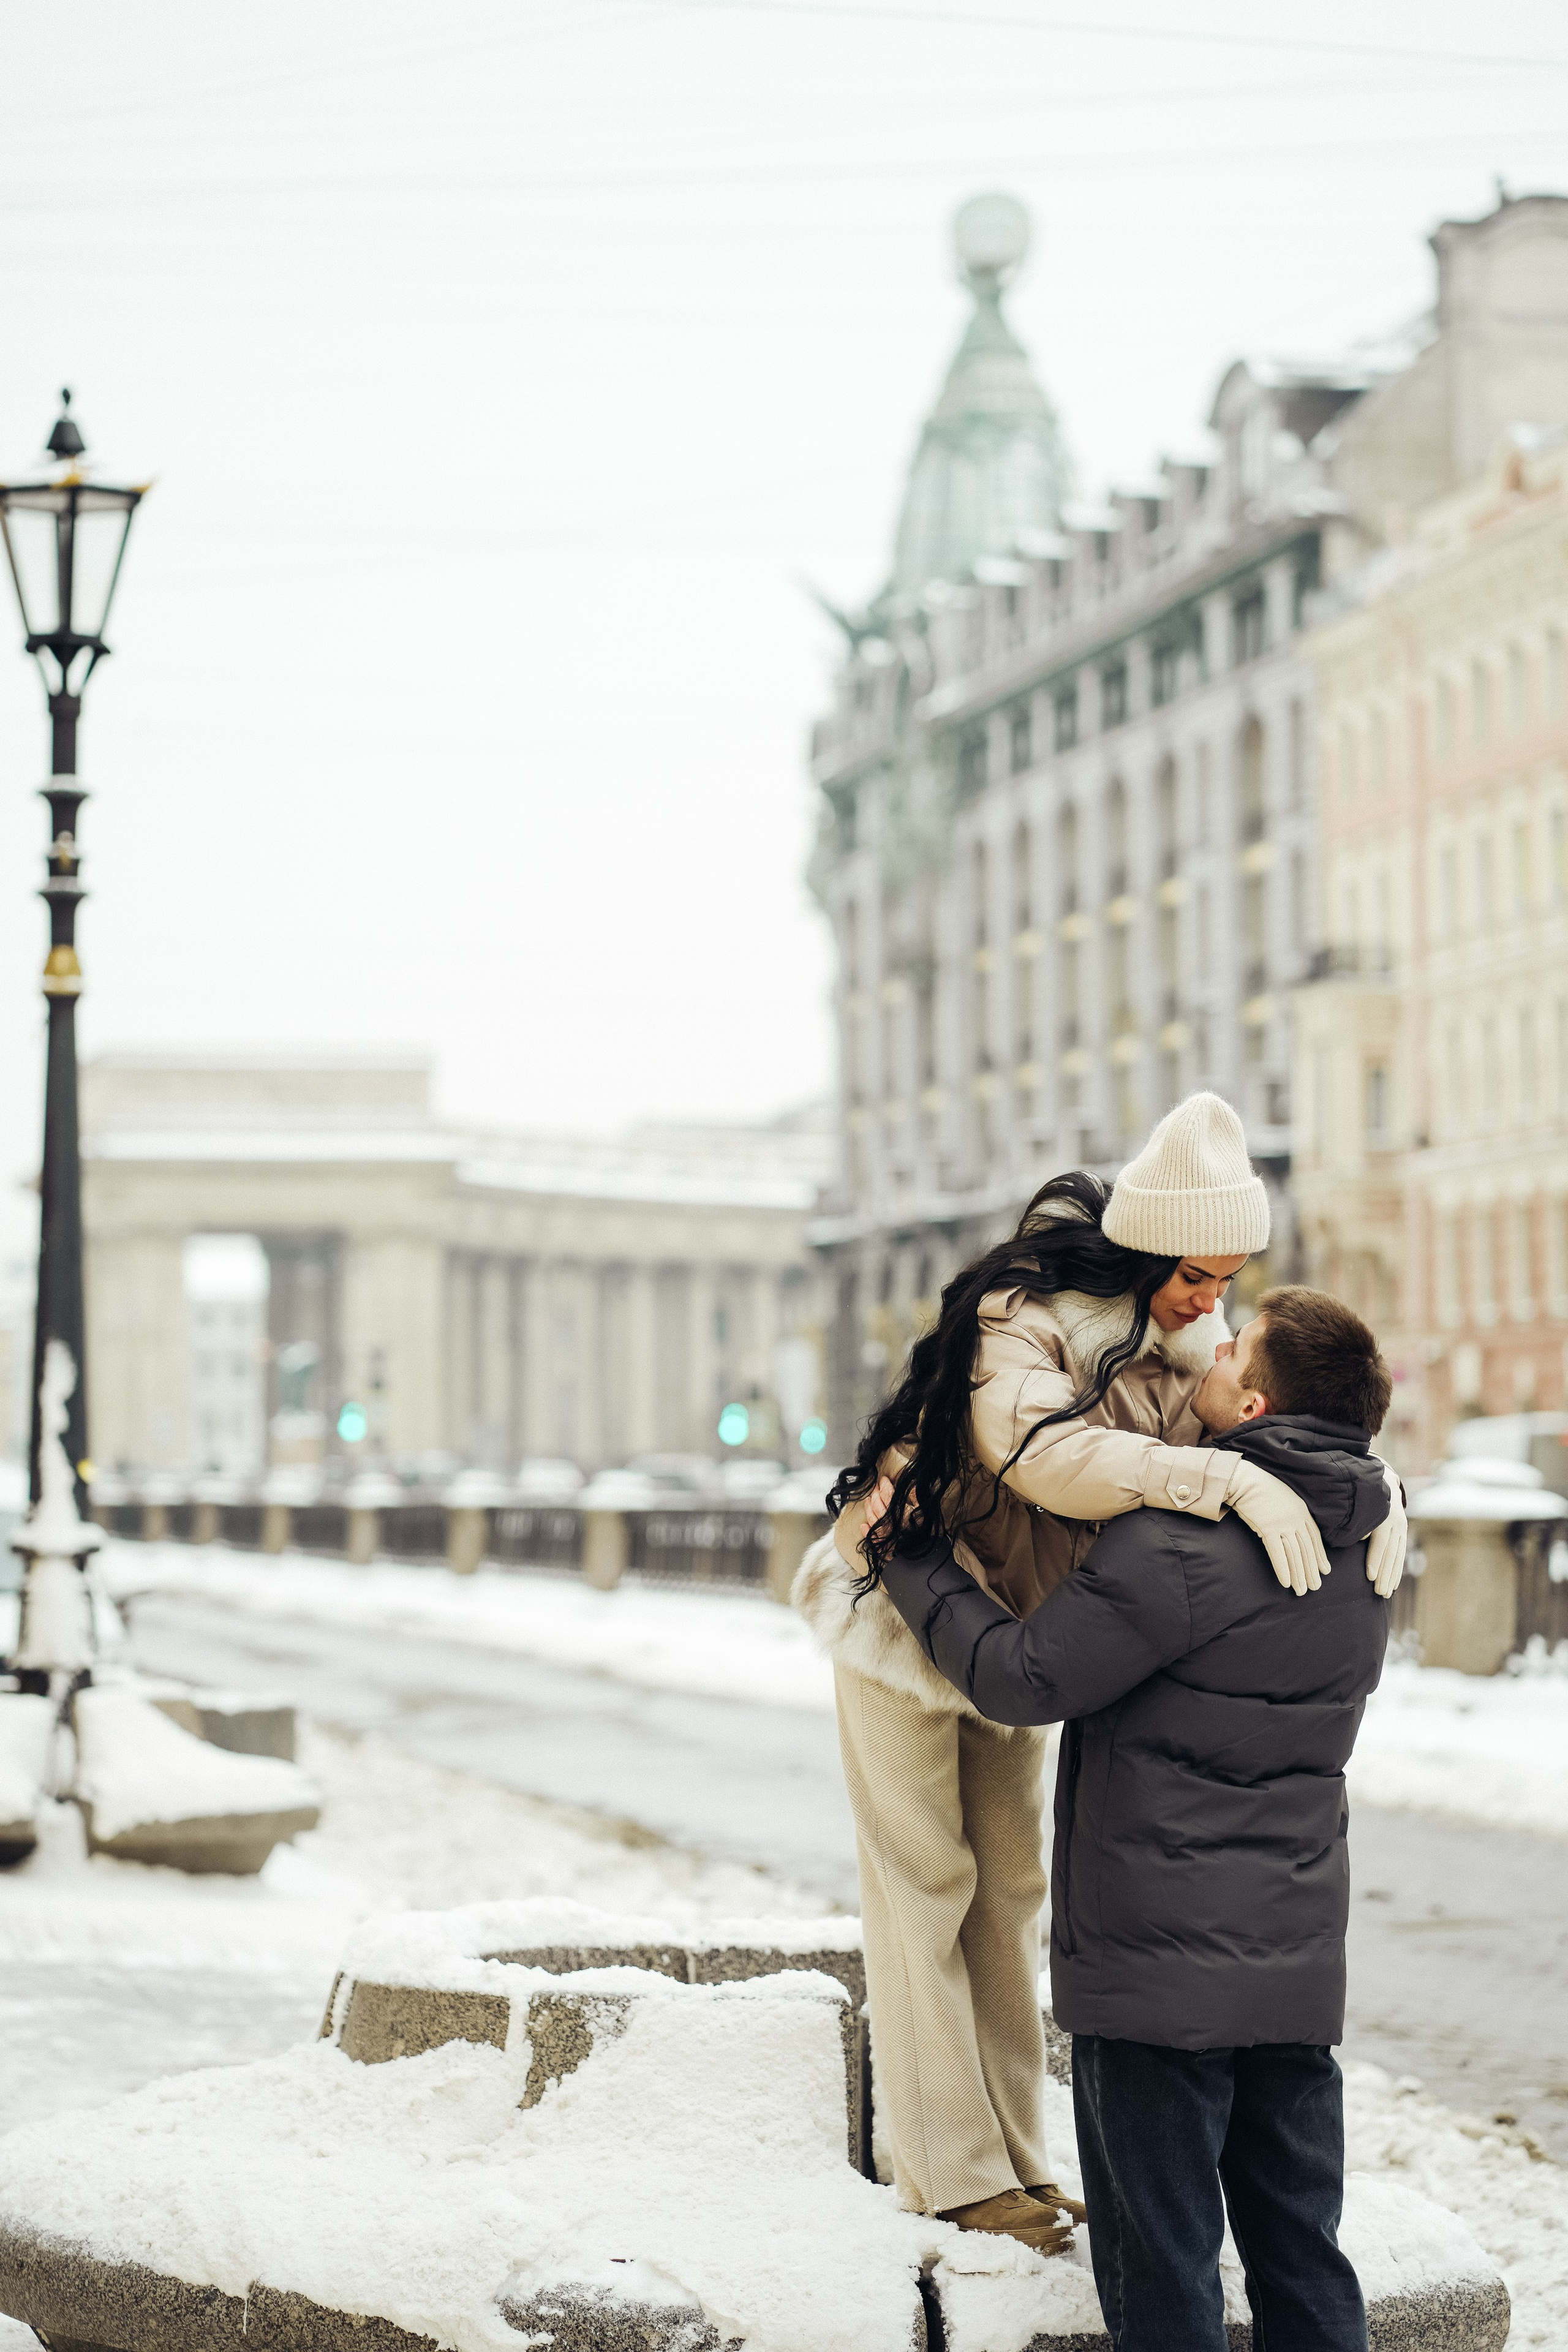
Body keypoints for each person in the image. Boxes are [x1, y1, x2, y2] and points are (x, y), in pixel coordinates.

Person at [795, 1093, 1406, 2253]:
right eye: (1197, 1273)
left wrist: (1380, 1502)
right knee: (925, 1882)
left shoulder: (1186, 1348)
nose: (1209, 1301)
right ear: (1145, 1244)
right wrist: (1213, 1482)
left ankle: (1019, 2156)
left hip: (1016, 1633)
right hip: (901, 1605)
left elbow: (1286, 1430)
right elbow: (1049, 1458)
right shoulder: (1019, 1320)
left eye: (1226, 1284)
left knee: (1013, 1887)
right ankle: (950, 2168)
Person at [871, 1286, 1396, 2352]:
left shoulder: (1179, 1546)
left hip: (1155, 1985)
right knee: (1304, 2259)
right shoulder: (1370, 1541)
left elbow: (1023, 1678)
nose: (1211, 1343)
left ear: (1252, 1406)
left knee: (1162, 2276)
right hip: (1295, 1976)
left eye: (1234, 1347)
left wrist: (918, 1565)